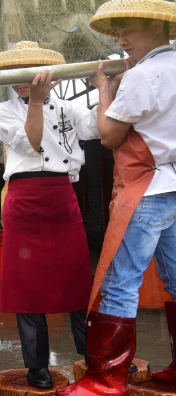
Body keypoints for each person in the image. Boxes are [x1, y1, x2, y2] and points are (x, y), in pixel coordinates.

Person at [57, 1, 176, 394]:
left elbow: (108, 135)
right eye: (120, 33)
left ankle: (107, 379)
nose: (122, 41)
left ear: (158, 27)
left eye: (130, 31)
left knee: (120, 281)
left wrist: (106, 90)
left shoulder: (142, 76)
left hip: (146, 189)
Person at [0, 42, 110, 389]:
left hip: (60, 196)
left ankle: (93, 356)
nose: (22, 82)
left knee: (76, 280)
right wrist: (37, 103)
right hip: (24, 200)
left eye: (30, 73)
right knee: (27, 288)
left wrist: (104, 89)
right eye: (16, 75)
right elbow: (31, 143)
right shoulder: (4, 110)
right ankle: (36, 366)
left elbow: (99, 130)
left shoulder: (69, 107)